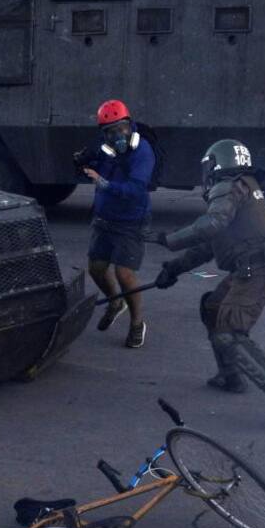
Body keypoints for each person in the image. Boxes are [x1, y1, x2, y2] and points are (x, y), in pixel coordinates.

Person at [150, 139, 265, 428]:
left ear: (216, 165)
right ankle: (230, 375)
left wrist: (168, 239)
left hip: (258, 271)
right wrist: (173, 269)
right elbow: (211, 244)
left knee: (229, 332)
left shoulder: (228, 186)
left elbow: (211, 225)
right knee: (213, 307)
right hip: (256, 269)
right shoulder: (245, 187)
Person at [78, 99, 156, 348]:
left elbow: (135, 189)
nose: (118, 135)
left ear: (130, 126)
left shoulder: (142, 151)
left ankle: (136, 324)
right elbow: (90, 167)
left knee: (125, 273)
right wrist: (82, 163)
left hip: (131, 221)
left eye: (121, 128)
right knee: (97, 269)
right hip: (104, 219)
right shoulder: (104, 151)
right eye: (111, 131)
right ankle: (115, 302)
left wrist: (105, 184)